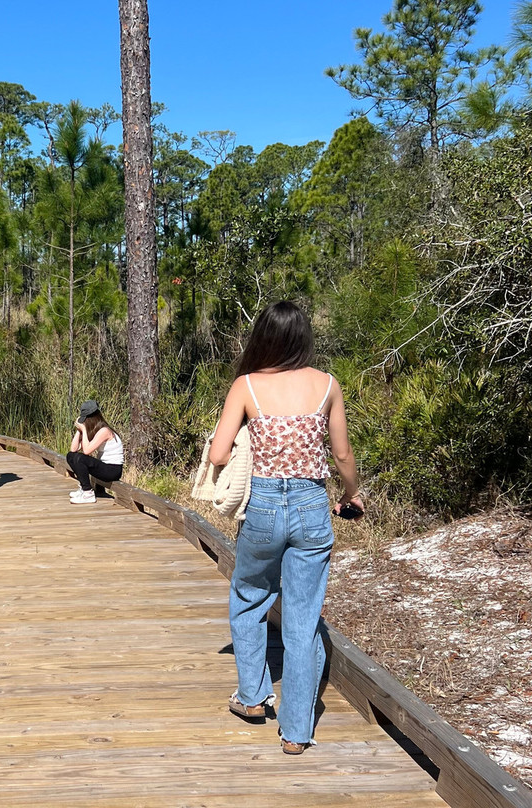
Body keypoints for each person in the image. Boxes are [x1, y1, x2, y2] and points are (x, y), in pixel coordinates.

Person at [208, 300, 364, 755]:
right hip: (313, 505)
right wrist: (351, 494)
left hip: (263, 506)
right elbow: (341, 456)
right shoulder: (327, 385)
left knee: (248, 596)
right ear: (303, 339)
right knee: (302, 616)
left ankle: (254, 698)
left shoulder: (246, 386)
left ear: (263, 338)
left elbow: (218, 456)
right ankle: (296, 731)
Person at [66, 400, 124, 504]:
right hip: (104, 467)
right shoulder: (96, 430)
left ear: (92, 418)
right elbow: (73, 449)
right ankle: (84, 488)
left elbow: (87, 451)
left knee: (80, 458)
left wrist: (83, 430)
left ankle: (88, 492)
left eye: (85, 420)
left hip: (112, 470)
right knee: (71, 456)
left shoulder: (105, 431)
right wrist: (78, 430)